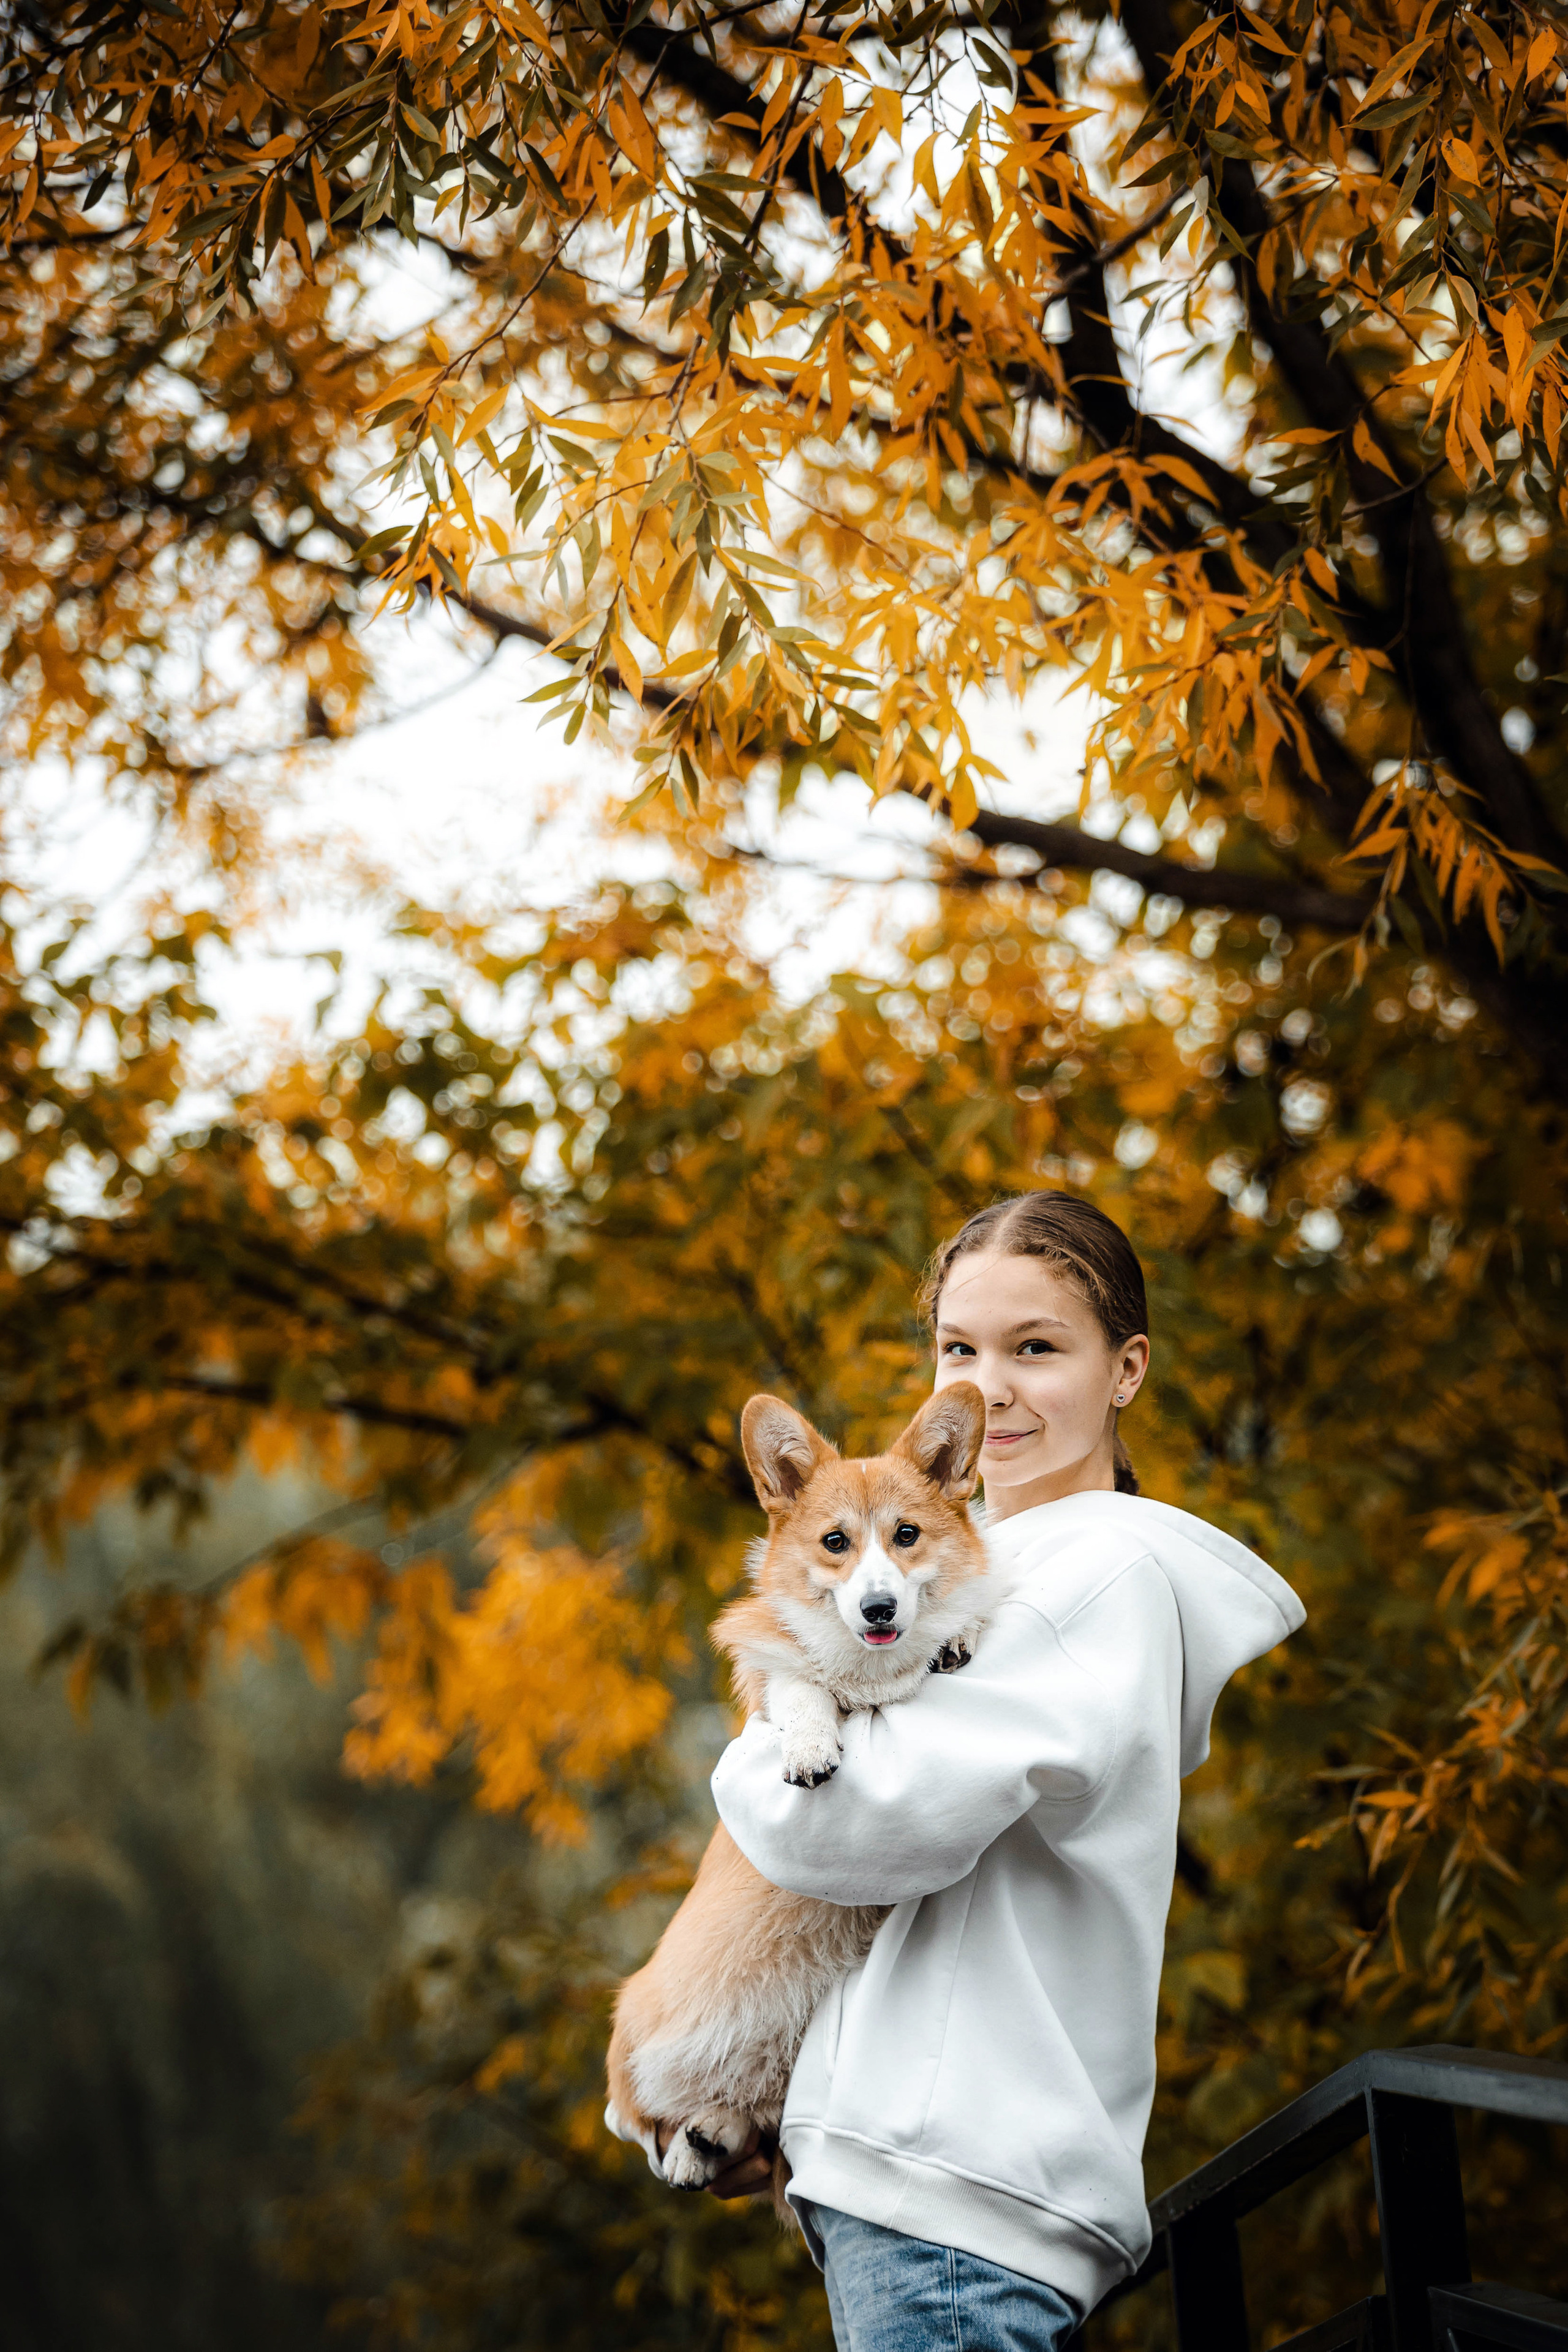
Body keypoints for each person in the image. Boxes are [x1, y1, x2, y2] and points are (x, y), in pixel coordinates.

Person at [698, 1192, 1305, 2351]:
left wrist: (756, 1748)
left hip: (955, 2201)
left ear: (1125, 1370)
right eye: (959, 1349)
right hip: (936, 2189)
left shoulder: (1086, 1576)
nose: (988, 1388)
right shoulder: (966, 1585)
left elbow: (834, 1831)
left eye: (1037, 1348)